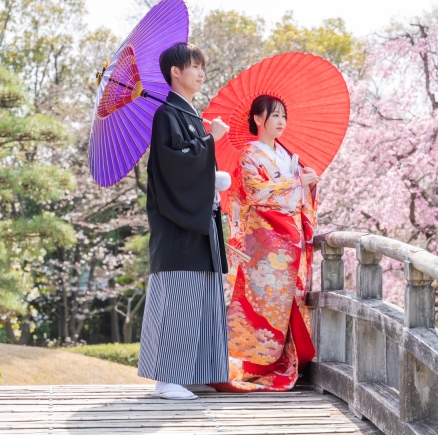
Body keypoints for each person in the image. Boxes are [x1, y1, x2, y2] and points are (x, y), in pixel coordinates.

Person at [137, 42, 231, 400]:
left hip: (198, 221)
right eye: (195, 65)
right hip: (178, 225)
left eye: (202, 65)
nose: (201, 71)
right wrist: (211, 141)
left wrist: (212, 176)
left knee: (202, 297)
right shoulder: (167, 115)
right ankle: (168, 378)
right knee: (179, 297)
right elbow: (176, 167)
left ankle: (194, 371)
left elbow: (195, 162)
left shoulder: (188, 114)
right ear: (176, 72)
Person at [212, 95, 319, 392]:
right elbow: (256, 193)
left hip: (290, 236)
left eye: (284, 115)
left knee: (288, 303)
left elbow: (296, 197)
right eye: (275, 115)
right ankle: (247, 363)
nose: (282, 121)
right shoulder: (250, 154)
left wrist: (309, 181)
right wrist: (298, 182)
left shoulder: (287, 155)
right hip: (266, 243)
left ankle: (285, 361)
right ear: (258, 120)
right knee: (261, 303)